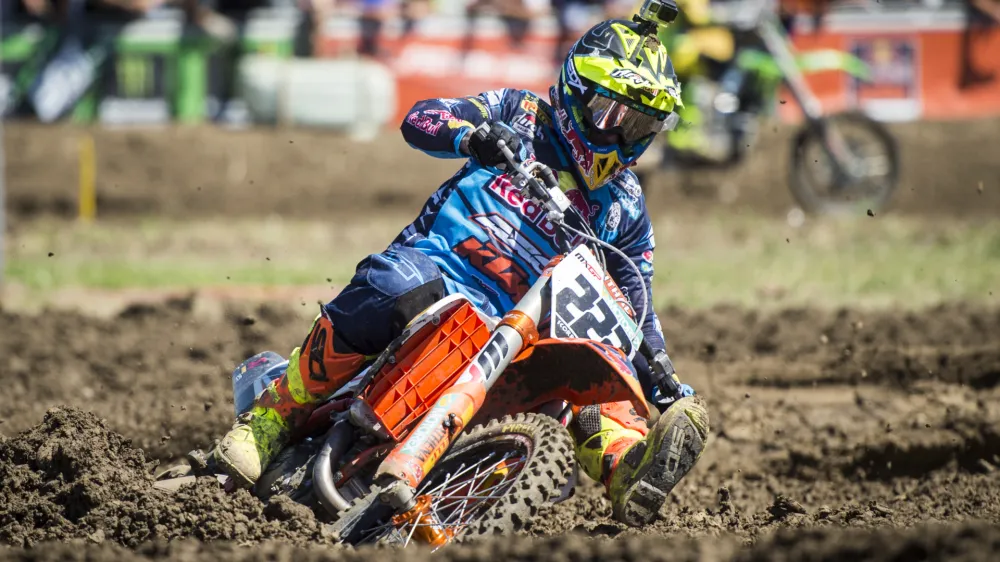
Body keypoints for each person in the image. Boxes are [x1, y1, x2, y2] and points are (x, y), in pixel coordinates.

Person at [214, 17, 709, 528]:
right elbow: (422, 118)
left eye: (640, 127)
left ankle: (627, 471)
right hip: (440, 284)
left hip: (527, 336)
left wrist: (668, 384)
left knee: (603, 367)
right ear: (576, 90)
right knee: (393, 283)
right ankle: (273, 416)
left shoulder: (626, 205)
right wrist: (471, 136)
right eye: (612, 115)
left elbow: (636, 309)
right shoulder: (521, 114)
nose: (622, 136)